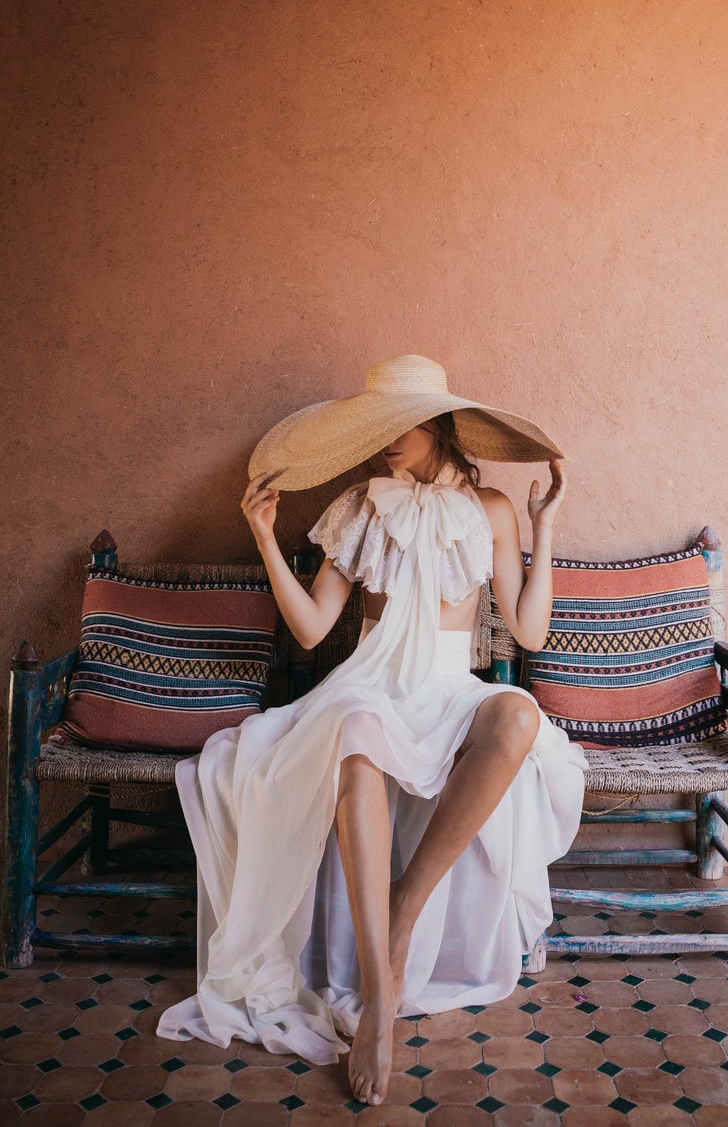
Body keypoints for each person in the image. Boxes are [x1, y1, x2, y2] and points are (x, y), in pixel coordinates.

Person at [157, 354, 586, 1107]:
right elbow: (316, 628)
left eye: (400, 426)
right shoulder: (361, 504)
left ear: (440, 424)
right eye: (378, 428)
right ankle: (380, 1002)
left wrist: (544, 525)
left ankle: (400, 915)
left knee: (518, 714)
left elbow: (529, 631)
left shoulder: (491, 508)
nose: (386, 441)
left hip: (451, 687)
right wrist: (263, 538)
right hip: (370, 684)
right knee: (355, 730)